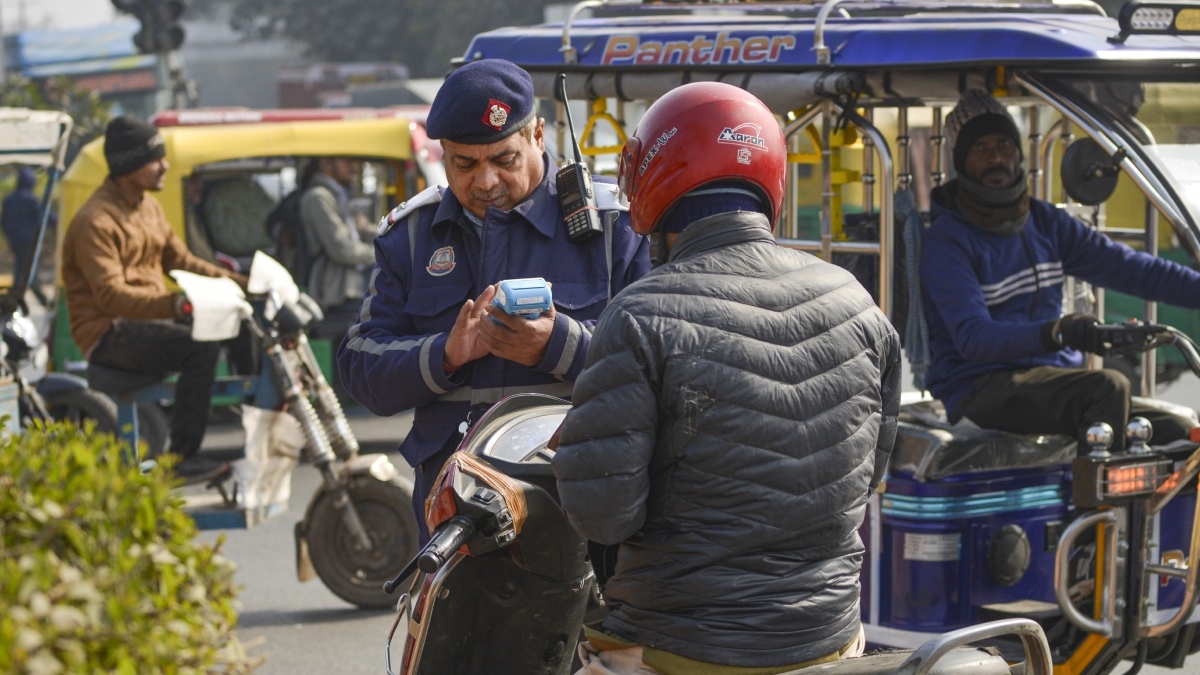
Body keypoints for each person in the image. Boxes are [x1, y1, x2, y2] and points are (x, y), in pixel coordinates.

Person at [552, 83, 901, 675]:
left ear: (652, 182)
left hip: (681, 645)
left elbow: (603, 516)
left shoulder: (641, 314)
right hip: (832, 638)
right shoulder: (860, 303)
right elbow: (869, 477)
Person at [336, 59, 651, 542]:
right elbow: (359, 365)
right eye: (465, 164)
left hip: (583, 510)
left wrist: (557, 346)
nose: (484, 183)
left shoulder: (616, 227)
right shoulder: (411, 237)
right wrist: (445, 354)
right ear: (442, 154)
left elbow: (663, 363)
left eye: (504, 160)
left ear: (539, 135)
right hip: (454, 524)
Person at [921, 89, 1200, 451]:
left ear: (1019, 152)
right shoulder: (947, 241)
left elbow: (1130, 268)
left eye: (1004, 143)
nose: (995, 157)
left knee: (1183, 430)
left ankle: (1139, 508)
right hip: (981, 387)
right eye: (980, 148)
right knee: (1107, 387)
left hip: (1055, 380)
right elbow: (974, 339)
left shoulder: (1044, 221)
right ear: (960, 161)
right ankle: (1091, 505)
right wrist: (1056, 332)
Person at [61, 116, 248, 480]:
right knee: (201, 348)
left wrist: (239, 282)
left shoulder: (148, 207)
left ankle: (258, 407)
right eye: (155, 159)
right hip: (109, 334)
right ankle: (181, 459)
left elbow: (180, 260)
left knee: (240, 322)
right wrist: (174, 305)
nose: (165, 166)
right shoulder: (95, 221)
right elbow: (111, 296)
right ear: (128, 165)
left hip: (147, 323)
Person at [300, 156, 375, 313]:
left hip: (353, 285)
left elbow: (363, 227)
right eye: (347, 160)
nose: (353, 167)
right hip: (336, 291)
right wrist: (381, 252)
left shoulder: (337, 194)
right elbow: (341, 249)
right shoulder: (318, 197)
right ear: (326, 163)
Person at [2, 166, 53, 304]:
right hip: (28, 242)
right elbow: (46, 216)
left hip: (15, 242)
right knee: (25, 272)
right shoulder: (30, 200)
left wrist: (10, 236)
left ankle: (20, 299)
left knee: (25, 270)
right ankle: (16, 300)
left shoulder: (9, 200)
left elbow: (4, 222)